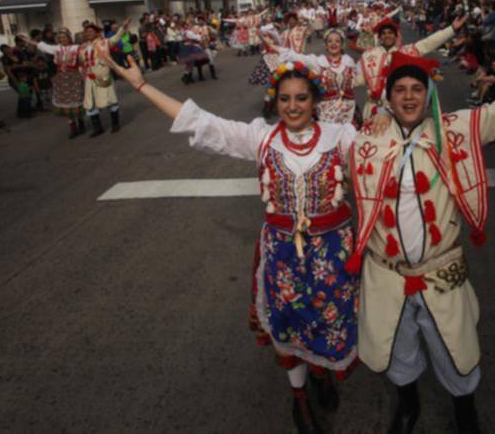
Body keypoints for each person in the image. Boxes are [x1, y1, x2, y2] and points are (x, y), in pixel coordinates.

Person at [95, 42, 388, 434]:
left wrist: (384, 113)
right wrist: (142, 85)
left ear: (315, 99)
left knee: (327, 322)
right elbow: (200, 121)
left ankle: (321, 374)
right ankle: (299, 397)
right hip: (283, 254)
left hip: (334, 255)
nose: (293, 106)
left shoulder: (340, 135)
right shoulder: (261, 138)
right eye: (285, 98)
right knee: (288, 327)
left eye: (302, 97)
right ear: (275, 101)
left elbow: (386, 157)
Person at [346, 35, 495, 433]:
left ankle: (465, 411)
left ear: (428, 94)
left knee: (453, 347)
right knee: (397, 348)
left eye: (416, 89)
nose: (408, 97)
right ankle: (408, 405)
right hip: (386, 273)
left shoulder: (454, 130)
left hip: (441, 271)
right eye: (399, 90)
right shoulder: (365, 140)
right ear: (387, 97)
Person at [354, 13, 467, 117]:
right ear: (379, 37)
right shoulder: (369, 55)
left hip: (397, 110)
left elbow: (428, 43)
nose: (387, 36)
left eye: (390, 33)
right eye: (383, 33)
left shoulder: (406, 52)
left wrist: (451, 29)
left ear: (395, 35)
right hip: (373, 109)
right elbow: (361, 79)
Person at [273, 29, 357, 124]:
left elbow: (361, 76)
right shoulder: (318, 62)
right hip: (326, 113)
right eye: (330, 41)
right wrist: (271, 46)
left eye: (337, 41)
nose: (334, 44)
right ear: (325, 45)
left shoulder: (349, 62)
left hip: (349, 111)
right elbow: (296, 56)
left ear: (342, 44)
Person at [31, 28, 88, 139]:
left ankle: (81, 122)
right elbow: (43, 46)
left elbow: (82, 60)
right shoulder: (57, 48)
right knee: (66, 103)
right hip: (62, 79)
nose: (62, 39)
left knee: (77, 101)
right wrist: (29, 41)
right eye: (60, 37)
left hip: (74, 78)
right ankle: (73, 127)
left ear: (68, 37)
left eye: (64, 37)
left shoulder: (76, 48)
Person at [79, 21, 127, 135]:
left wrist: (123, 28)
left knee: (110, 99)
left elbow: (115, 39)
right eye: (87, 32)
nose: (89, 33)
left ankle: (115, 124)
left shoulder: (103, 43)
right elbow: (81, 63)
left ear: (96, 33)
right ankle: (97, 128)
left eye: (91, 31)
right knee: (91, 103)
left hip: (103, 76)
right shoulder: (82, 47)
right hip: (90, 79)